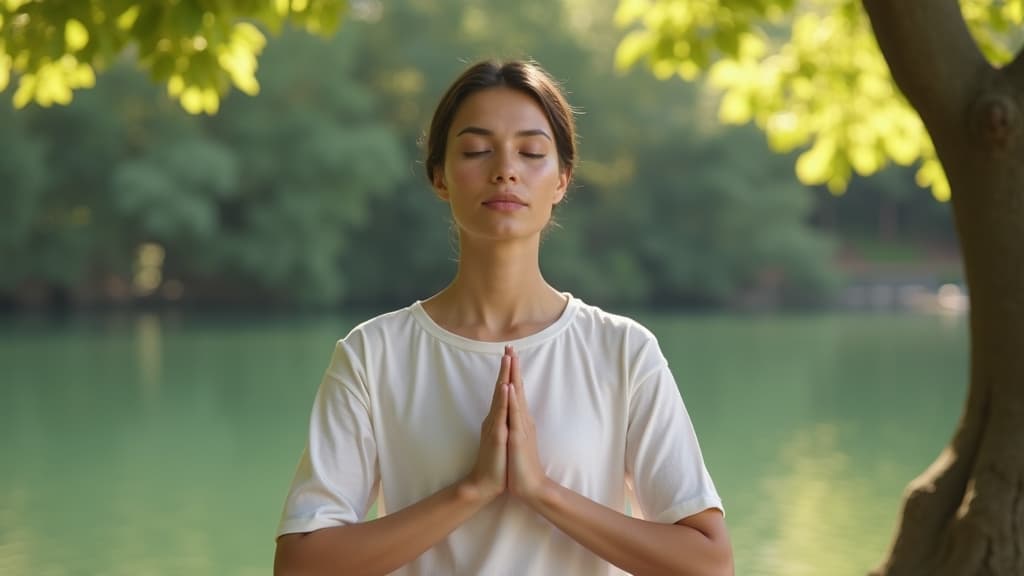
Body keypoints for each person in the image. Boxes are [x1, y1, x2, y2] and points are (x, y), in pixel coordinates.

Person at [273, 59, 732, 576]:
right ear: (440, 177)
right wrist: (473, 490)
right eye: (476, 150)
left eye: (532, 152)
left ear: (561, 179)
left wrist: (542, 492)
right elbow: (301, 566)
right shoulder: (373, 354)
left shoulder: (623, 351)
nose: (505, 170)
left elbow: (708, 563)